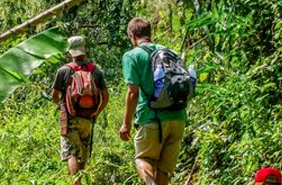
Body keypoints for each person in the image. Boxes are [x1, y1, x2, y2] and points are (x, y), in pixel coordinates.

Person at [119, 18, 188, 185]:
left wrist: (126, 124)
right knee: (163, 170)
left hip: (152, 119)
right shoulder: (169, 51)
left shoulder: (132, 56)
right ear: (150, 34)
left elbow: (133, 94)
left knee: (143, 159)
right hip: (178, 118)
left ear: (132, 35)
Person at [51, 35, 109, 185]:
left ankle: (76, 184)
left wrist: (62, 107)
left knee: (71, 153)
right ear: (85, 50)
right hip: (88, 117)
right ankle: (80, 181)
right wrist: (96, 112)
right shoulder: (95, 71)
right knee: (83, 153)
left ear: (70, 52)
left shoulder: (64, 70)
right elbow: (105, 97)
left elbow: (54, 95)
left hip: (70, 118)